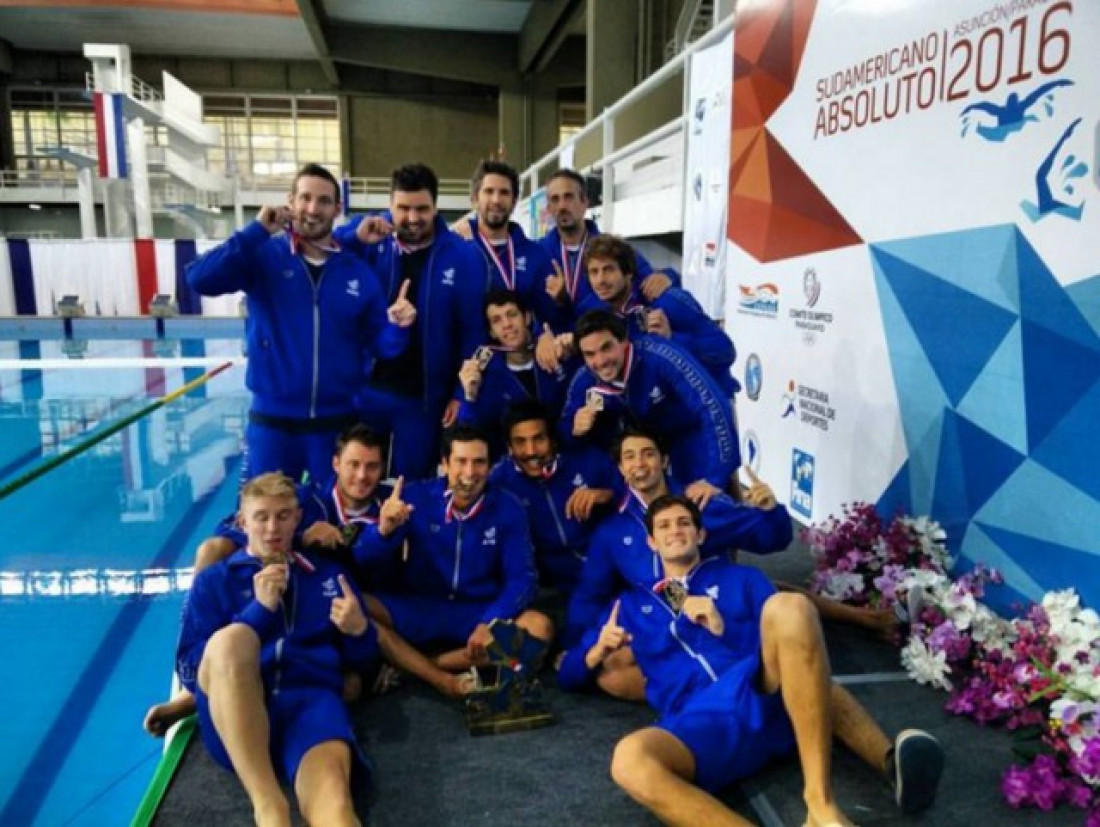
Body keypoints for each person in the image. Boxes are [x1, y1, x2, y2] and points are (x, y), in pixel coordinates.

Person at [561, 494, 945, 826]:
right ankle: (889, 762)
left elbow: (797, 639)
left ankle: (822, 805)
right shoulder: (629, 606)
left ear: (701, 534)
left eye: (684, 522)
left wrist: (720, 623)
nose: (675, 530)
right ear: (651, 541)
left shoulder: (740, 579)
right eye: (664, 526)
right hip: (697, 721)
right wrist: (598, 650)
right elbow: (567, 675)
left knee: (791, 608)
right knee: (629, 760)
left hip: (759, 691)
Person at [143, 427, 472, 739]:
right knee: (212, 549)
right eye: (353, 464)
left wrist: (384, 530)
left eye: (372, 467)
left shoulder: (391, 506)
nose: (362, 475)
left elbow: (373, 559)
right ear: (335, 464)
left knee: (354, 662)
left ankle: (214, 701)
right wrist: (299, 536)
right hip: (310, 597)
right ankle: (195, 688)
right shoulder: (305, 500)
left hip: (357, 604)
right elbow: (235, 528)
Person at [186, 163, 416, 486]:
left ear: (337, 209)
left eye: (323, 201)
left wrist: (397, 326)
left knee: (335, 530)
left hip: (337, 425)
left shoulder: (358, 273)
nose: (312, 209)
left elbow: (383, 345)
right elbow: (199, 279)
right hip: (272, 425)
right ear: (290, 201)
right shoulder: (264, 256)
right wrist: (255, 231)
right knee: (262, 528)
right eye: (305, 198)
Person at [174, 472, 378, 827]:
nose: (273, 528)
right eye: (261, 517)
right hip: (235, 716)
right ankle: (269, 805)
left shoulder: (327, 577)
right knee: (231, 640)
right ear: (242, 522)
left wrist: (359, 631)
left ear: (298, 518)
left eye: (283, 516)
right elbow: (191, 672)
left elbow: (365, 666)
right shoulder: (215, 581)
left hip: (309, 707)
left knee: (335, 808)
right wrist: (258, 612)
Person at [566, 429, 791, 695]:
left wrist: (770, 511)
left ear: (664, 460)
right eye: (630, 457)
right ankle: (700, 688)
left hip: (717, 602)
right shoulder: (613, 529)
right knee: (610, 673)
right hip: (656, 613)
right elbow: (591, 592)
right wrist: (577, 645)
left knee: (784, 604)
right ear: (621, 468)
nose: (639, 464)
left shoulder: (701, 502)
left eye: (648, 454)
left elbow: (771, 540)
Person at [359, 424, 554, 671]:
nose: (470, 472)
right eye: (461, 461)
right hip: (420, 607)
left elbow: (522, 578)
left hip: (476, 612)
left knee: (539, 628)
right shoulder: (414, 497)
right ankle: (455, 663)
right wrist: (382, 531)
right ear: (445, 463)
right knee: (355, 602)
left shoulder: (509, 508)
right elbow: (363, 559)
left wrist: (490, 622)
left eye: (479, 462)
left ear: (491, 466)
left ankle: (427, 665)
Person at [334, 163, 485, 478]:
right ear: (390, 205)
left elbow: (472, 331)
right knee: (357, 482)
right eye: (403, 208)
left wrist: (459, 393)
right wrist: (354, 238)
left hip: (423, 399)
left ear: (436, 207)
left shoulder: (463, 255)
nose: (413, 218)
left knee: (412, 487)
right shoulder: (368, 238)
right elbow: (322, 249)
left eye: (422, 209)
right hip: (365, 391)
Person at [562, 310, 740, 491]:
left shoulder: (661, 357)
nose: (600, 361)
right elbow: (564, 432)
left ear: (623, 341)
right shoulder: (585, 381)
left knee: (706, 503)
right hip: (643, 458)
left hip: (692, 440)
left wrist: (715, 478)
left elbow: (713, 407)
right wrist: (574, 430)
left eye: (606, 348)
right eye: (590, 354)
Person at [579, 234, 739, 399]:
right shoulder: (599, 316)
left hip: (710, 407)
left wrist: (672, 339)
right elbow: (597, 382)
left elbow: (725, 350)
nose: (600, 280)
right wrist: (590, 414)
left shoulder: (667, 300)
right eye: (594, 272)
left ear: (628, 273)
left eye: (608, 270)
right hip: (661, 413)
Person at [489, 400, 618, 599]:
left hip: (609, 571)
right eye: (520, 442)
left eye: (538, 439)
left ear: (553, 439)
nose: (531, 451)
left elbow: (636, 497)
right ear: (509, 447)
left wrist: (607, 495)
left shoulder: (587, 457)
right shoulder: (499, 483)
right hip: (551, 588)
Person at [454, 289, 575, 457]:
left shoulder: (554, 353)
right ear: (491, 332)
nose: (507, 324)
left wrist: (573, 348)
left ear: (526, 318)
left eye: (511, 315)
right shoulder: (483, 374)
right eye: (497, 320)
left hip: (564, 455)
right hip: (515, 465)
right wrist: (470, 397)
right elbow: (469, 434)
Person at [456, 159, 565, 331]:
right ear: (475, 199)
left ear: (514, 202)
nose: (496, 200)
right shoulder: (455, 251)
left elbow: (549, 321)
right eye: (489, 191)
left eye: (504, 193)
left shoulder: (536, 256)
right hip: (468, 357)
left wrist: (559, 300)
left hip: (518, 356)